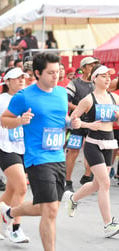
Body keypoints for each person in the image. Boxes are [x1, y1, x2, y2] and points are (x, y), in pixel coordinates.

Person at [0, 53, 81, 251]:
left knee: (47, 206)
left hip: (58, 156)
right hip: (37, 158)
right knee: (50, 210)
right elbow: (4, 120)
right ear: (37, 73)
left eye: (57, 72)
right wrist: (20, 120)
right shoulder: (24, 96)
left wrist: (71, 122)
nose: (56, 76)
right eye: (50, 72)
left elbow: (62, 119)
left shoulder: (61, 94)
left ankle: (9, 213)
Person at [65, 65, 119, 238]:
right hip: (93, 144)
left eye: (109, 76)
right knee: (105, 183)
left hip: (109, 143)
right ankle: (108, 224)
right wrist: (88, 125)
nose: (107, 78)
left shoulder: (114, 98)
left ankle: (73, 199)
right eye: (103, 76)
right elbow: (73, 120)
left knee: (98, 184)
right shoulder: (88, 100)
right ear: (95, 78)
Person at [0, 67, 29, 243]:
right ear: (7, 81)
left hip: (25, 150)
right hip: (6, 149)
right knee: (22, 188)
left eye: (23, 77)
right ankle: (15, 229)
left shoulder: (28, 97)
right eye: (16, 78)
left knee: (11, 191)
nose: (21, 80)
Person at [65, 56, 99, 192]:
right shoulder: (74, 83)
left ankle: (87, 175)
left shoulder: (97, 83)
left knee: (93, 151)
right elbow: (65, 102)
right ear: (83, 68)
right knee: (73, 152)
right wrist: (79, 109)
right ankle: (67, 181)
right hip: (77, 123)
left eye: (95, 65)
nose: (93, 68)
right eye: (90, 65)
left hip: (93, 124)